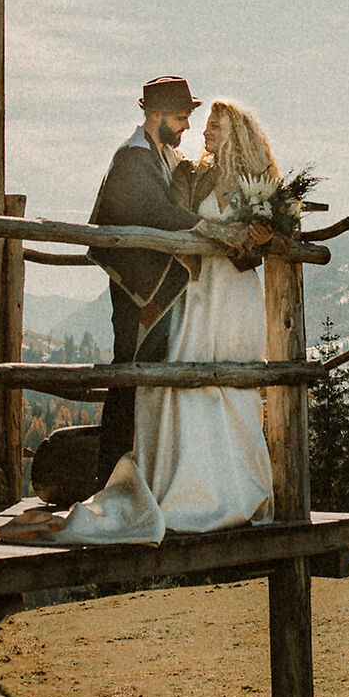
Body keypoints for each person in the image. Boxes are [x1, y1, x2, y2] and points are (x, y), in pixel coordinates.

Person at [85, 77, 264, 496]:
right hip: (136, 289)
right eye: (182, 118)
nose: (187, 127)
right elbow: (153, 209)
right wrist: (209, 228)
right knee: (129, 375)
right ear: (156, 115)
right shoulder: (132, 158)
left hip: (158, 286)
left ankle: (141, 476)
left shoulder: (163, 154)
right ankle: (112, 480)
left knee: (146, 380)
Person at [137, 99, 283, 532]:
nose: (205, 132)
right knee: (190, 376)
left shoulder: (258, 183)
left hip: (235, 293)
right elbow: (177, 221)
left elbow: (276, 238)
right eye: (205, 125)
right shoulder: (190, 175)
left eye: (214, 125)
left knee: (235, 383)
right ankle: (190, 493)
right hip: (198, 291)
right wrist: (218, 233)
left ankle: (242, 491)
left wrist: (264, 236)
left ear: (235, 131)